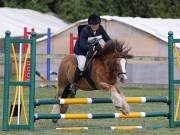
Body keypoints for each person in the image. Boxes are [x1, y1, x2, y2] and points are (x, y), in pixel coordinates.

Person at [70, 14, 111, 96]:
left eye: (97, 25)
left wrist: (113, 46)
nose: (95, 26)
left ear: (99, 24)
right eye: (93, 25)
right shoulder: (84, 31)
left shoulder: (101, 29)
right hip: (81, 51)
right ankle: (74, 84)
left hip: (94, 49)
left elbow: (107, 39)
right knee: (81, 65)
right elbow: (82, 44)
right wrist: (93, 48)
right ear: (89, 24)